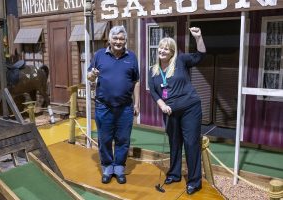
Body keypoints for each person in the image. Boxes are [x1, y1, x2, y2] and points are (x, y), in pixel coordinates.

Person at [148, 27, 206, 195]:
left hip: (190, 108)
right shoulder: (154, 70)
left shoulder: (180, 61)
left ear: (172, 52)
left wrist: (199, 37)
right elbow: (153, 91)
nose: (162, 50)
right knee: (174, 143)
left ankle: (195, 181)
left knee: (191, 143)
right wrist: (161, 105)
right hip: (170, 112)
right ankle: (174, 174)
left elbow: (200, 56)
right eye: (161, 47)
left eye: (166, 48)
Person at [87, 25, 140, 184]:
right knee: (105, 139)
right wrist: (92, 75)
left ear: (125, 40)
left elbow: (136, 81)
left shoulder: (131, 56)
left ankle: (119, 168)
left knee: (123, 139)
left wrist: (137, 104)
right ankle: (107, 167)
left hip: (125, 108)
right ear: (109, 40)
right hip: (104, 107)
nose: (118, 41)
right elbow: (89, 76)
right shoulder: (99, 55)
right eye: (115, 38)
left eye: (121, 38)